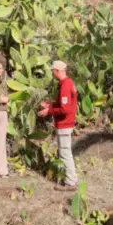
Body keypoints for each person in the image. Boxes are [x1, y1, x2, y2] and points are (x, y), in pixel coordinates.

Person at [37, 59, 78, 190]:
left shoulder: (65, 85)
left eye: (53, 71)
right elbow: (64, 104)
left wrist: (49, 111)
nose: (52, 73)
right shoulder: (68, 83)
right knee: (66, 152)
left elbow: (65, 109)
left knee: (65, 153)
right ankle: (72, 179)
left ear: (57, 71)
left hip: (64, 124)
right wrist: (50, 105)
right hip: (66, 123)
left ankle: (70, 183)